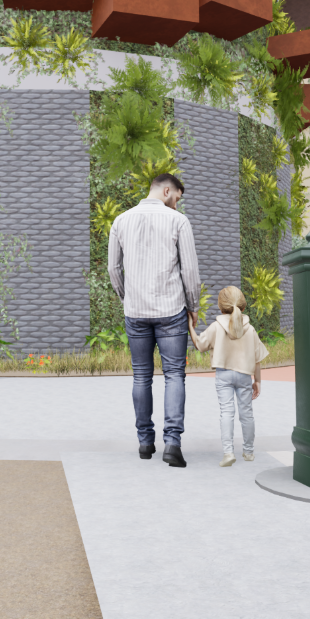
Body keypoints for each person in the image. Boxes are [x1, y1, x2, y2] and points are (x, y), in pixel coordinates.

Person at [108, 173, 201, 468]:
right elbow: (190, 271)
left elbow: (113, 268)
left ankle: (145, 443)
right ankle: (172, 444)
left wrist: (127, 298)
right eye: (176, 197)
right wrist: (193, 304)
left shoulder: (120, 221)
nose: (177, 203)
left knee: (141, 375)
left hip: (135, 311)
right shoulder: (178, 222)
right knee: (174, 375)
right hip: (171, 310)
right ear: (166, 190)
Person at [188, 287, 269, 467]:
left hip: (223, 374)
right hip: (245, 376)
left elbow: (200, 345)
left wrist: (190, 327)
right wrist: (258, 381)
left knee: (227, 413)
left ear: (221, 306)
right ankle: (248, 452)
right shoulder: (250, 329)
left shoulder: (217, 326)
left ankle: (228, 453)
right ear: (242, 305)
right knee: (247, 414)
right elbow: (257, 359)